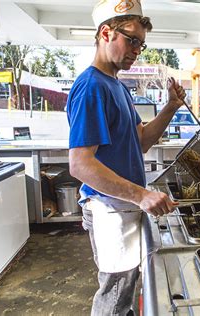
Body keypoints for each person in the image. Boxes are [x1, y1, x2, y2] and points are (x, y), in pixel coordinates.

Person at [66, 1, 186, 315]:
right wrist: (142, 195)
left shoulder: (116, 86)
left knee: (125, 291)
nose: (137, 50)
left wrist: (171, 107)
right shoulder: (92, 87)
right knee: (115, 297)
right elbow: (80, 164)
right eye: (131, 40)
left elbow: (142, 140)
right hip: (110, 210)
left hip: (123, 207)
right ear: (106, 33)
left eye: (141, 44)